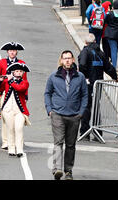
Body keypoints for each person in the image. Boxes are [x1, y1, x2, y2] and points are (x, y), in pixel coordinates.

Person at [44, 50, 89, 180]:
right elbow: (47, 93)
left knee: (70, 145)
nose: (67, 61)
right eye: (65, 58)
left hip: (74, 115)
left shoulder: (80, 77)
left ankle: (68, 171)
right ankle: (57, 169)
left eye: (69, 58)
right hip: (57, 114)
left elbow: (85, 95)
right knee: (58, 142)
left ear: (73, 60)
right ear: (61, 60)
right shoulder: (54, 76)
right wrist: (49, 109)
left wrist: (81, 112)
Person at [78, 33, 118, 140]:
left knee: (86, 107)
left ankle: (85, 132)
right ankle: (98, 132)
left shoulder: (85, 51)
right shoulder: (101, 53)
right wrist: (115, 77)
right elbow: (108, 67)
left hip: (88, 83)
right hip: (98, 84)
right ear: (95, 42)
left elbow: (82, 64)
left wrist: (83, 76)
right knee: (96, 107)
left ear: (86, 43)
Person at [0, 62, 30, 157]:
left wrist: (10, 81)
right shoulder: (7, 81)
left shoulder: (25, 82)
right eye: (16, 71)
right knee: (10, 128)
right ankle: (11, 148)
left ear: (22, 73)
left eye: (20, 71)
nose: (18, 73)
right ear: (13, 72)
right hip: (8, 109)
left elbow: (20, 88)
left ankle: (19, 149)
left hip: (19, 110)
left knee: (19, 128)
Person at [104, 0, 118, 68]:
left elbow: (105, 21)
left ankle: (114, 66)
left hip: (110, 34)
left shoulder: (110, 14)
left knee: (113, 50)